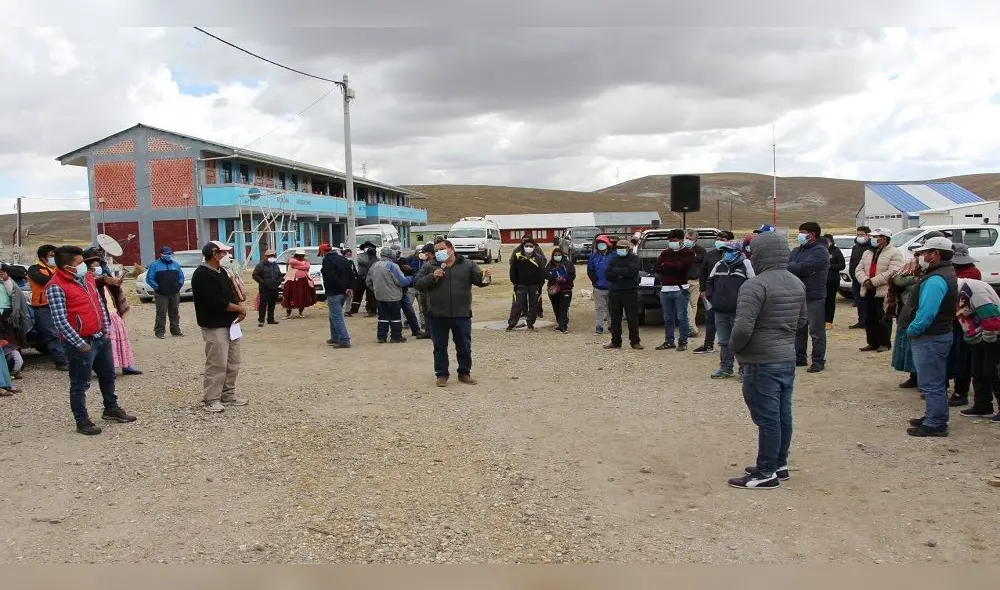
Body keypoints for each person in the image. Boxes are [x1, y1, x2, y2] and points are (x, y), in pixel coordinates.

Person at [726, 232, 807, 489]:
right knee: (783, 414)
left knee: (767, 418)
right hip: (785, 357)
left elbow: (742, 328)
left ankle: (765, 473)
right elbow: (803, 320)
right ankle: (778, 463)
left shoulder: (755, 285)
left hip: (760, 360)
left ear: (759, 254)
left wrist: (733, 349)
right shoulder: (796, 282)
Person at [46, 245, 136, 434]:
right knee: (80, 383)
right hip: (79, 342)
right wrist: (79, 344)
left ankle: (111, 408)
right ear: (66, 266)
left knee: (108, 375)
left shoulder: (87, 278)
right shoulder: (55, 286)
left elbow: (99, 304)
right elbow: (59, 321)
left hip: (99, 336)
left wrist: (105, 329)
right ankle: (82, 420)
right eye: (79, 263)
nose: (84, 266)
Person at [414, 239, 491, 386]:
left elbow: (480, 281)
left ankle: (464, 373)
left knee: (464, 345)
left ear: (451, 249)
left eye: (442, 249)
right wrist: (432, 276)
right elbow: (417, 283)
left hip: (461, 313)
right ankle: (442, 375)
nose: (439, 253)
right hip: (437, 314)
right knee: (439, 346)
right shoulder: (429, 266)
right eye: (436, 251)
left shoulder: (468, 265)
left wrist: (485, 277)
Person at [904, 237, 958, 437]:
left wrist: (912, 330)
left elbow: (927, 312)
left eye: (925, 253)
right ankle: (932, 416)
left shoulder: (936, 279)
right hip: (938, 334)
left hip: (931, 336)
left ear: (935, 254)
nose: (921, 257)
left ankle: (935, 423)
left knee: (931, 382)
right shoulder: (944, 273)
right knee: (933, 380)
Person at [191, 241, 248, 413]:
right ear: (214, 254)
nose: (226, 256)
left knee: (233, 362)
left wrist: (238, 307)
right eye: (223, 253)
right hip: (214, 324)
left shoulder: (222, 272)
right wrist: (239, 309)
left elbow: (230, 294)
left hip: (230, 323)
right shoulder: (202, 275)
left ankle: (228, 394)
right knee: (217, 363)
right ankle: (212, 398)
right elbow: (216, 301)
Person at [84, 249, 142, 376]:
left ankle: (127, 365)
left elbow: (111, 288)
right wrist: (105, 279)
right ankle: (107, 369)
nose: (97, 267)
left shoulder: (103, 277)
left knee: (121, 340)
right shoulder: (86, 279)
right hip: (102, 315)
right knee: (108, 343)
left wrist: (116, 284)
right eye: (94, 265)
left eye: (98, 264)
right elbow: (98, 284)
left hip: (113, 312)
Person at [705, 240, 755, 379]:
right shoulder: (719, 264)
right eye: (724, 251)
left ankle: (744, 369)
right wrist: (712, 298)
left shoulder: (746, 264)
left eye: (729, 251)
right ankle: (726, 367)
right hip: (720, 310)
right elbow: (710, 282)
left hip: (739, 311)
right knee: (724, 341)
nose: (726, 253)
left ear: (738, 252)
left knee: (741, 340)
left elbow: (753, 284)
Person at [954, 277, 1000, 422]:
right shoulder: (957, 292)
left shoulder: (974, 290)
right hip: (978, 337)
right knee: (978, 371)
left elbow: (991, 316)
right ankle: (982, 405)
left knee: (994, 372)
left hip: (993, 336)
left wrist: (988, 340)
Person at [786, 222, 830, 372]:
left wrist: (794, 267)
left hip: (814, 295)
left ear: (812, 234)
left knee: (816, 331)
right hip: (797, 294)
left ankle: (818, 361)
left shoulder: (820, 251)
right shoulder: (797, 250)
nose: (800, 235)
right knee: (798, 329)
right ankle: (799, 358)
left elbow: (803, 267)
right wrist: (795, 267)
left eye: (802, 232)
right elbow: (790, 265)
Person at [855, 228, 904, 353]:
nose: (873, 239)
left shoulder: (894, 253)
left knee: (883, 317)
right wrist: (865, 280)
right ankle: (872, 342)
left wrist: (873, 281)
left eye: (876, 237)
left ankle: (884, 343)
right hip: (868, 289)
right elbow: (859, 269)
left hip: (884, 290)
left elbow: (893, 271)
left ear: (884, 238)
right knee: (869, 317)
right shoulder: (867, 252)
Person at [945, 243, 981, 407]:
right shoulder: (954, 272)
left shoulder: (971, 273)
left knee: (963, 359)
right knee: (953, 357)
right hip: (954, 321)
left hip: (964, 322)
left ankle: (961, 392)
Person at [27, 244, 68, 370]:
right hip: (43, 306)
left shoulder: (57, 268)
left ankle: (67, 358)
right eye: (51, 255)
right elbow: (43, 280)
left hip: (60, 304)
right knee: (52, 334)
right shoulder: (34, 269)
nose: (54, 258)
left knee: (64, 332)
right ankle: (61, 362)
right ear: (43, 257)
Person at [654, 229, 695, 351]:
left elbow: (683, 267)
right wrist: (673, 265)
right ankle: (669, 341)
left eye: (674, 241)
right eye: (670, 241)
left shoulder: (688, 253)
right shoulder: (665, 253)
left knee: (682, 316)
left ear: (681, 240)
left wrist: (666, 265)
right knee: (668, 318)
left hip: (680, 289)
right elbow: (657, 267)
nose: (672, 243)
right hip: (665, 289)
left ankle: (683, 341)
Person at [694, 231, 734, 355]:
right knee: (711, 319)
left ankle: (733, 346)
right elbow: (703, 273)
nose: (720, 240)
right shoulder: (710, 254)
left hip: (731, 294)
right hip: (712, 293)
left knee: (732, 321)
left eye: (723, 238)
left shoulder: (734, 255)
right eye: (718, 238)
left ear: (730, 240)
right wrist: (703, 289)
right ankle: (708, 344)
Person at [886, 257, 923, 389]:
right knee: (909, 346)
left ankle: (923, 379)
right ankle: (913, 376)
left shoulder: (934, 272)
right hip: (907, 310)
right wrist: (913, 280)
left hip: (921, 311)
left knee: (921, 346)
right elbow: (896, 279)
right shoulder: (910, 266)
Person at [367, 247, 413, 343]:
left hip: (379, 296)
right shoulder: (392, 266)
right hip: (393, 297)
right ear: (391, 255)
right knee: (395, 317)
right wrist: (410, 278)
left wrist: (376, 289)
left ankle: (381, 337)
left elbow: (368, 281)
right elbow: (402, 281)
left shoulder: (374, 265)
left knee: (382, 318)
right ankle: (396, 337)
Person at [603, 239, 643, 350]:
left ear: (628, 249)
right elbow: (608, 275)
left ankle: (635, 342)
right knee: (615, 318)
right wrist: (622, 273)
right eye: (618, 248)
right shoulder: (613, 259)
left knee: (632, 318)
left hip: (630, 291)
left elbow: (631, 272)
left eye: (622, 248)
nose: (620, 250)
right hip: (614, 292)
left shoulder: (634, 259)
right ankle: (616, 342)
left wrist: (617, 272)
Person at [145, 246, 185, 339]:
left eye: (170, 254)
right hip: (161, 294)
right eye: (166, 254)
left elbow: (181, 277)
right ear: (161, 255)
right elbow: (149, 278)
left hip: (174, 293)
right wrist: (158, 288)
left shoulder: (175, 264)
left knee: (174, 312)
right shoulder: (154, 265)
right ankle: (159, 332)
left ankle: (175, 331)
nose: (168, 256)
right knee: (161, 313)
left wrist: (178, 286)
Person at [507, 237, 546, 331]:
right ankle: (511, 324)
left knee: (534, 305)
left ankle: (530, 323)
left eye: (531, 246)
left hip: (534, 285)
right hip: (521, 285)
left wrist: (540, 284)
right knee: (517, 305)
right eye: (526, 246)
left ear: (534, 247)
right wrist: (514, 282)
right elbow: (513, 270)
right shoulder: (517, 256)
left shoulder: (538, 258)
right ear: (523, 247)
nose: (528, 247)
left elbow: (541, 272)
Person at [0, 264, 33, 375]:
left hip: (7, 314)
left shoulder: (7, 281)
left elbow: (13, 293)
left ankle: (15, 367)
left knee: (11, 342)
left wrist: (5, 279)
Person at [320, 244, 354, 348]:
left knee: (336, 316)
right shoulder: (343, 259)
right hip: (344, 292)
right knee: (333, 315)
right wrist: (349, 288)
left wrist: (343, 287)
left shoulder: (327, 261)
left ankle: (344, 339)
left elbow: (331, 277)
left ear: (323, 252)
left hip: (334, 292)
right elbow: (351, 274)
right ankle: (335, 337)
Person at [393, 244, 426, 338]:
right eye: (418, 252)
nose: (420, 254)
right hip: (410, 287)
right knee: (408, 306)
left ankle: (422, 323)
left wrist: (411, 270)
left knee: (421, 307)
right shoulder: (407, 259)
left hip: (421, 286)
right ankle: (406, 322)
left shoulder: (426, 261)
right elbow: (404, 273)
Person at [587, 235, 615, 334]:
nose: (601, 245)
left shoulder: (613, 255)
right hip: (598, 287)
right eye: (599, 244)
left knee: (610, 308)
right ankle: (599, 326)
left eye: (603, 243)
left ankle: (611, 325)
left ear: (607, 244)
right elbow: (590, 270)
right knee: (599, 308)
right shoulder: (593, 257)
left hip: (611, 287)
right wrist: (594, 280)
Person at [545, 247, 576, 333]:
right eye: (555, 255)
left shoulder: (568, 264)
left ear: (562, 255)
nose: (557, 256)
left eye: (559, 255)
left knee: (563, 308)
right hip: (554, 290)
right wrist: (554, 277)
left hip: (566, 289)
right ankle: (560, 323)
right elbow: (546, 274)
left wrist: (564, 279)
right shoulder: (550, 264)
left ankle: (564, 326)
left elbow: (572, 275)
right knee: (556, 308)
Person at [848, 226, 873, 329]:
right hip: (855, 279)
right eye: (858, 234)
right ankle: (861, 321)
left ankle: (868, 321)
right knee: (858, 301)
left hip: (866, 279)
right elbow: (852, 262)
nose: (859, 237)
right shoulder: (856, 247)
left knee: (867, 301)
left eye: (861, 235)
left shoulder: (871, 248)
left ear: (867, 235)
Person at [281, 248, 316, 318]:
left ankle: (300, 312)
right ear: (296, 255)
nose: (301, 257)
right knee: (290, 296)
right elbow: (293, 262)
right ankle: (288, 313)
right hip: (291, 281)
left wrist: (297, 267)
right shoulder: (291, 260)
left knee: (302, 296)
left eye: (302, 256)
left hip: (303, 281)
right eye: (299, 255)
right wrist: (302, 266)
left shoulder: (305, 261)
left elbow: (307, 267)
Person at [251, 249, 283, 327]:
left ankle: (271, 319)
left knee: (272, 304)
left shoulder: (275, 265)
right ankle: (261, 320)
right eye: (269, 256)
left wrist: (278, 282)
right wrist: (263, 282)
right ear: (265, 256)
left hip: (274, 288)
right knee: (263, 304)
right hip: (264, 288)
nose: (271, 257)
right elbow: (255, 275)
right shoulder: (260, 265)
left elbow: (280, 275)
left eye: (272, 256)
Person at [684, 229, 706, 338]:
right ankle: (692, 328)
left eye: (690, 239)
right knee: (686, 305)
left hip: (696, 281)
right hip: (682, 281)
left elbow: (704, 266)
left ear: (695, 240)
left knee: (693, 304)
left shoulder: (701, 250)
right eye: (686, 238)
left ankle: (691, 328)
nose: (687, 240)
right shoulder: (680, 250)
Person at [822, 233, 846, 328]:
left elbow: (842, 265)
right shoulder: (821, 250)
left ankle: (828, 321)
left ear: (831, 241)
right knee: (822, 301)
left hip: (832, 280)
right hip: (822, 280)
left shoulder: (836, 251)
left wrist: (830, 266)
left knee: (830, 301)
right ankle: (821, 320)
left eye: (827, 241)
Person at [412, 244, 435, 339]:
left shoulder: (433, 264)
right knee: (425, 311)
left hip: (430, 292)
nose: (422, 255)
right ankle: (428, 331)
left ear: (429, 253)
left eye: (424, 253)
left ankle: (431, 332)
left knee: (430, 312)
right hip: (424, 291)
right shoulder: (425, 263)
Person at [349, 242, 378, 316]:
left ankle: (370, 309)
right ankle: (354, 309)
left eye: (369, 247)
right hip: (361, 278)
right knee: (357, 294)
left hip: (371, 279)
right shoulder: (360, 256)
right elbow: (364, 262)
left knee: (370, 295)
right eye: (366, 247)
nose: (367, 248)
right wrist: (371, 260)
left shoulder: (375, 258)